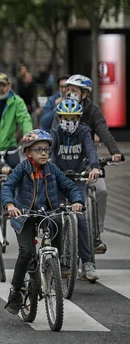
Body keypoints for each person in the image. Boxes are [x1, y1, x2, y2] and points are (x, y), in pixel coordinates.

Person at [2, 129, 83, 315]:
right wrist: (10, 205)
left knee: (59, 221)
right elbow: (8, 187)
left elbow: (69, 186)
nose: (44, 153)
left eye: (46, 149)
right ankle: (15, 291)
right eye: (39, 150)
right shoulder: (22, 169)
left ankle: (56, 263)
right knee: (26, 252)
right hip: (25, 216)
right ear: (28, 152)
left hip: (46, 214)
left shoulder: (52, 169)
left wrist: (77, 200)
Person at [55, 75, 123, 254]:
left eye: (74, 90)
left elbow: (103, 131)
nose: (69, 93)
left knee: (101, 190)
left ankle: (97, 234)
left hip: (88, 160)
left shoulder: (93, 111)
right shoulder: (61, 108)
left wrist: (114, 152)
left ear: (84, 94)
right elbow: (53, 136)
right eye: (67, 89)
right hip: (66, 161)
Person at [49, 100, 100, 281]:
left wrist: (94, 167)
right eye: (65, 118)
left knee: (80, 217)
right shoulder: (55, 132)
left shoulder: (84, 131)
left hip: (77, 179)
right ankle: (57, 260)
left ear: (79, 118)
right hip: (58, 179)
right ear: (59, 118)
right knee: (56, 218)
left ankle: (87, 262)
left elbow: (90, 150)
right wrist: (49, 167)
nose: (69, 121)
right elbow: (49, 152)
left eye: (73, 118)